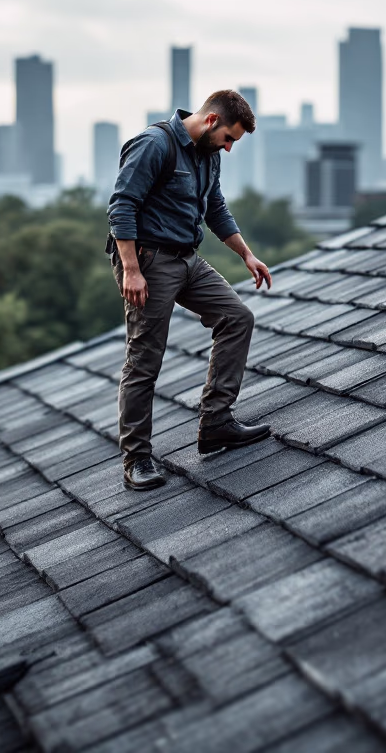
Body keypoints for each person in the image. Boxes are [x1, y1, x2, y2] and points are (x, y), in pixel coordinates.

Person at [105, 89, 273, 491]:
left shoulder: (208, 155)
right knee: (145, 358)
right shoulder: (154, 144)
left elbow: (215, 208)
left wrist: (246, 255)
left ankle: (216, 423)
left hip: (186, 259)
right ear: (212, 121)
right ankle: (137, 460)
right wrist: (131, 270)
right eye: (229, 138)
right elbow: (121, 206)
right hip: (148, 261)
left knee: (237, 317)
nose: (229, 149)